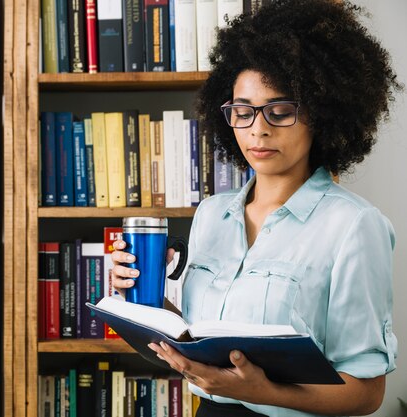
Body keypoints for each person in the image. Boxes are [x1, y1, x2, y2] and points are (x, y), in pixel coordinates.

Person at [111, 1, 402, 416]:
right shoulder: (211, 215)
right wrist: (140, 303)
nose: (258, 129)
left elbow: (367, 394)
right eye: (243, 112)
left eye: (280, 111)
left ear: (320, 113)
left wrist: (265, 392)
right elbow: (198, 342)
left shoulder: (354, 225)